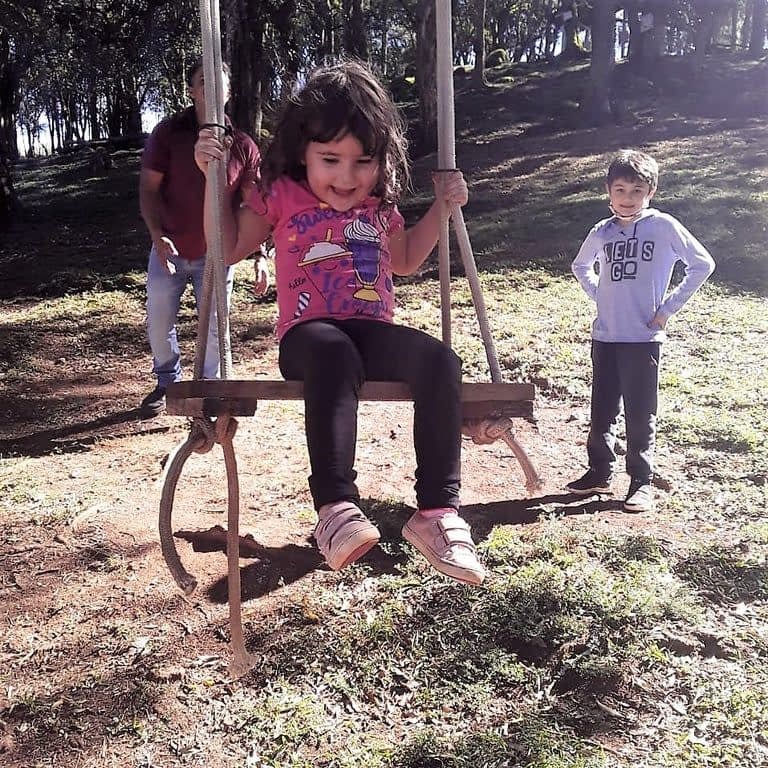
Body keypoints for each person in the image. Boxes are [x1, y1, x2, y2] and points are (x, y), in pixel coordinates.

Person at [194, 60, 485, 586]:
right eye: (330, 160)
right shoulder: (278, 194)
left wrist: (441, 210)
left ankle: (436, 513)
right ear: (302, 152)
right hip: (307, 337)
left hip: (368, 330)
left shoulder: (377, 207)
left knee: (440, 359)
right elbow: (228, 246)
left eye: (362, 162)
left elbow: (404, 260)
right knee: (335, 352)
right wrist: (213, 181)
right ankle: (334, 507)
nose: (346, 177)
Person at [567, 149, 715, 512]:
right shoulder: (601, 231)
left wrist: (667, 310)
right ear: (608, 191)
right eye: (620, 190)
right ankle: (599, 471)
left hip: (642, 338)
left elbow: (701, 264)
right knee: (602, 408)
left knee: (640, 410)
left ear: (651, 191)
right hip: (605, 336)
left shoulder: (662, 226)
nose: (628, 199)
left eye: (636, 191)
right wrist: (598, 294)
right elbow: (580, 265)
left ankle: (641, 481)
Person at [138, 57, 261, 416]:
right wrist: (157, 235)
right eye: (203, 82)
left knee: (214, 326)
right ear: (192, 91)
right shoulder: (168, 134)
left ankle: (208, 390)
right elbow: (148, 190)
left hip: (218, 252)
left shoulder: (243, 146)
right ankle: (168, 383)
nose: (211, 88)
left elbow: (254, 206)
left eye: (218, 82)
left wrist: (259, 256)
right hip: (171, 248)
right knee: (159, 316)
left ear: (229, 92)